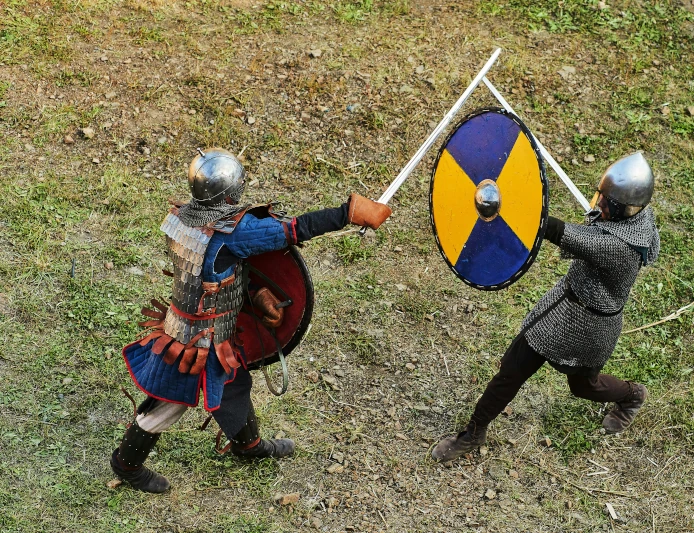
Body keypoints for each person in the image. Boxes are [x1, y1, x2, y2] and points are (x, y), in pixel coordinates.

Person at [111, 147, 391, 492]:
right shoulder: (235, 232)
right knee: (170, 403)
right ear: (229, 194)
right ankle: (126, 464)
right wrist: (348, 213)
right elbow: (293, 230)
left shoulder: (183, 217)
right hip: (196, 341)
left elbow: (215, 270)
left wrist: (254, 291)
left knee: (234, 382)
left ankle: (247, 445)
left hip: (200, 327)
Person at [432, 152, 661, 462]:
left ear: (624, 209)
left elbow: (558, 232)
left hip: (594, 327)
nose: (600, 206)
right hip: (561, 310)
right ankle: (473, 432)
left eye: (608, 204)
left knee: (583, 387)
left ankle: (632, 395)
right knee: (511, 370)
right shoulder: (636, 217)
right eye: (602, 199)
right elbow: (593, 228)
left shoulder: (618, 247)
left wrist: (510, 206)